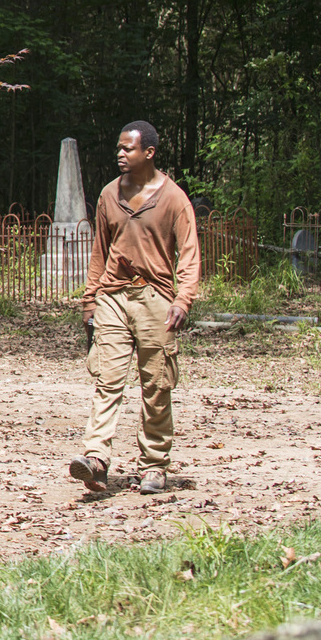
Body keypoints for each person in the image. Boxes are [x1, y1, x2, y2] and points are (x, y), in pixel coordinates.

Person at [70, 121, 200, 496]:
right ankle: (95, 460)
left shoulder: (174, 199)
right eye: (119, 148)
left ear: (149, 153)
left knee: (156, 385)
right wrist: (90, 300)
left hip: (155, 299)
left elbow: (189, 255)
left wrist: (183, 299)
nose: (120, 154)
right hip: (112, 298)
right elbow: (100, 251)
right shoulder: (110, 195)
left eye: (128, 148)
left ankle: (154, 465)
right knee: (106, 381)